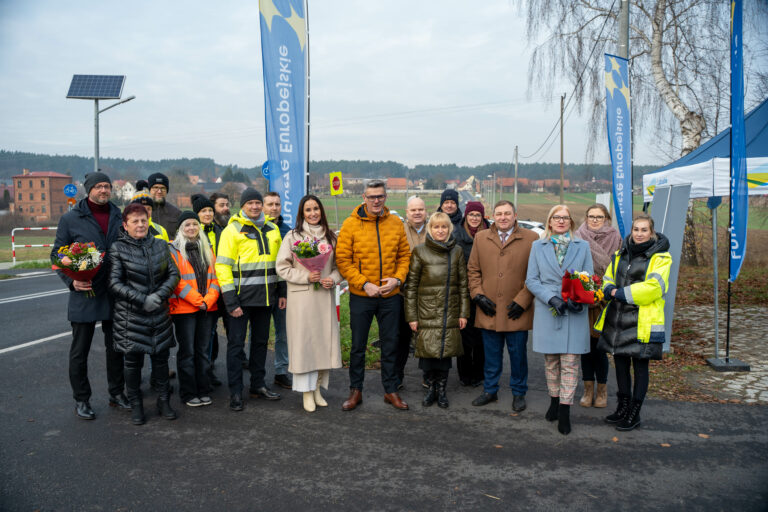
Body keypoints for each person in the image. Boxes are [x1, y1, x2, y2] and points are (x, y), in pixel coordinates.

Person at [52, 172, 127, 420]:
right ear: (89, 189)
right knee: (79, 350)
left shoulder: (119, 215)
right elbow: (56, 255)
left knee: (115, 348)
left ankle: (117, 393)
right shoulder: (71, 218)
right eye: (99, 186)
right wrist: (71, 281)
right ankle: (82, 399)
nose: (104, 190)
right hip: (84, 291)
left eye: (107, 186)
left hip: (114, 291)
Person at [336, 180, 411, 411]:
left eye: (380, 196)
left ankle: (390, 390)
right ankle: (355, 390)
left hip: (390, 295)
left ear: (385, 197)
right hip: (362, 295)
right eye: (372, 197)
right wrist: (363, 283)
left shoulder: (396, 223)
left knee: (391, 344)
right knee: (358, 345)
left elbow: (404, 256)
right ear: (364, 197)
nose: (376, 200)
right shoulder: (350, 224)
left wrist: (397, 279)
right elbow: (343, 260)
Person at [596, 214, 672, 431]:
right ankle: (623, 407)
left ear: (652, 232)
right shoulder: (621, 253)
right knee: (620, 366)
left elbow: (654, 288)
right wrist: (608, 287)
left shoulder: (661, 257)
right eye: (636, 229)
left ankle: (634, 413)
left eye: (644, 230)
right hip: (618, 319)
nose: (639, 234)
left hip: (643, 321)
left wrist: (618, 292)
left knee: (640, 367)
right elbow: (608, 277)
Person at [108, 203, 180, 426]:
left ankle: (163, 401)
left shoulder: (160, 244)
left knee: (161, 360)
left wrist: (158, 296)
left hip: (158, 313)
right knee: (132, 363)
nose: (140, 225)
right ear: (125, 225)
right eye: (135, 221)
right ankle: (136, 404)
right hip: (131, 316)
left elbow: (174, 274)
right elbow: (114, 282)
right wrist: (141, 299)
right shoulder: (117, 248)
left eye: (143, 220)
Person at [216, 187, 286, 412]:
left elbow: (279, 264)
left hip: (266, 298)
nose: (255, 207)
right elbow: (222, 266)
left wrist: (282, 292)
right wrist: (231, 301)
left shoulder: (273, 228)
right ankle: (236, 391)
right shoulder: (232, 230)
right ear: (243, 206)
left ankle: (257, 385)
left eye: (258, 203)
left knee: (260, 344)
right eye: (250, 203)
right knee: (236, 346)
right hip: (240, 300)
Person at [526, 205, 593, 435]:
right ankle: (554, 401)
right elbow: (531, 280)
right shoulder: (538, 245)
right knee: (552, 361)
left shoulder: (582, 246)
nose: (561, 221)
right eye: (557, 217)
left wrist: (580, 298)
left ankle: (565, 410)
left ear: (571, 222)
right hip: (548, 310)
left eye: (565, 218)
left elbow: (588, 278)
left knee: (571, 362)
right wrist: (551, 298)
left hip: (574, 312)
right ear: (550, 221)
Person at [467, 200, 537, 412]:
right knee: (491, 355)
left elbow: (535, 274)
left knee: (518, 356)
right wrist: (477, 295)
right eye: (499, 214)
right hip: (489, 308)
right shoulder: (481, 238)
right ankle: (490, 390)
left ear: (515, 215)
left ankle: (519, 392)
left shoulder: (531, 239)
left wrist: (523, 300)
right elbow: (473, 270)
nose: (503, 217)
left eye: (507, 213)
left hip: (516, 310)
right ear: (493, 216)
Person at [275, 195, 343, 412]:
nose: (313, 213)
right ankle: (305, 391)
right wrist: (305, 277)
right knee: (304, 345)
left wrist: (333, 278)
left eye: (316, 209)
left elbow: (339, 267)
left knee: (322, 343)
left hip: (323, 297)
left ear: (321, 211)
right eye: (308, 210)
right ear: (301, 214)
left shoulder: (331, 238)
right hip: (302, 300)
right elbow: (282, 267)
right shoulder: (293, 237)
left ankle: (317, 388)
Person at [405, 212, 469, 408]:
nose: (440, 231)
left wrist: (463, 313)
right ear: (430, 230)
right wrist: (412, 317)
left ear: (449, 229)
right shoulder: (420, 251)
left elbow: (463, 284)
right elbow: (411, 287)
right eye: (436, 227)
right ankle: (430, 388)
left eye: (443, 227)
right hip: (426, 312)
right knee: (427, 354)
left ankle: (441, 390)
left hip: (449, 311)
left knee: (444, 354)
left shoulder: (457, 251)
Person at [169, 211, 220, 407]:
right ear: (180, 229)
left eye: (194, 224)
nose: (191, 228)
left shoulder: (207, 248)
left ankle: (204, 389)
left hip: (207, 307)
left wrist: (208, 300)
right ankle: (189, 393)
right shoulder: (173, 250)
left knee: (202, 351)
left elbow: (215, 278)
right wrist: (198, 300)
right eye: (187, 225)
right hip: (184, 310)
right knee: (187, 352)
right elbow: (176, 281)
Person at [575, 204, 622, 408]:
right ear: (586, 217)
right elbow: (574, 267)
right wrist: (587, 293)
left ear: (606, 218)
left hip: (607, 299)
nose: (594, 220)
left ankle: (602, 390)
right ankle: (587, 389)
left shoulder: (616, 238)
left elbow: (619, 269)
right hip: (585, 297)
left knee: (601, 348)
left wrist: (605, 293)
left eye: (599, 216)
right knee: (586, 348)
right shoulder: (577, 236)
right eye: (591, 216)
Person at [453, 201, 490, 387]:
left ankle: (480, 372)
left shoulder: (490, 234)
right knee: (465, 335)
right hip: (464, 293)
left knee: (482, 336)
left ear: (482, 217)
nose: (474, 218)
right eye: (471, 215)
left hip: (486, 292)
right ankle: (465, 373)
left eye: (478, 215)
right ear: (466, 216)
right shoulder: (457, 235)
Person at [395, 195, 428, 389]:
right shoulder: (398, 230)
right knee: (401, 337)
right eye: (413, 210)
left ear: (426, 211)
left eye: (420, 209)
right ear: (407, 212)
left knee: (426, 337)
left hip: (427, 295)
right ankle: (397, 376)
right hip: (403, 293)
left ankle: (427, 375)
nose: (417, 213)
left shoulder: (433, 230)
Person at [192, 193, 224, 387]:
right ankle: (198, 372)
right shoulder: (193, 233)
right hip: (196, 294)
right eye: (203, 211)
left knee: (211, 333)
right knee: (198, 336)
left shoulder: (220, 231)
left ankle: (209, 368)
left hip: (217, 289)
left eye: (210, 210)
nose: (208, 214)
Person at [263, 191, 292, 390]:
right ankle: (255, 370)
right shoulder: (254, 229)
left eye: (277, 204)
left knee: (283, 333)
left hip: (282, 290)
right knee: (259, 334)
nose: (274, 208)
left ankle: (281, 371)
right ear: (262, 207)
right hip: (259, 292)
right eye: (270, 204)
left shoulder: (287, 231)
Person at [146, 172, 181, 239]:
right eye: (155, 187)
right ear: (149, 190)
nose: (159, 191)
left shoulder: (176, 213)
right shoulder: (141, 212)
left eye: (163, 188)